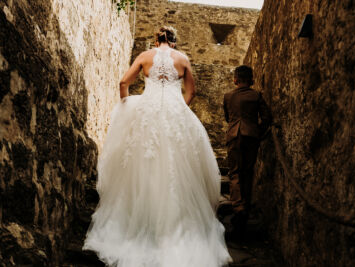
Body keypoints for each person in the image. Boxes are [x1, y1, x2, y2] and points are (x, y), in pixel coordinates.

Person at [83, 26, 231, 267]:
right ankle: (175, 230)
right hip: (174, 114)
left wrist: (126, 105)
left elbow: (123, 82)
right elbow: (191, 92)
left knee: (139, 165)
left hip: (146, 112)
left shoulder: (144, 57)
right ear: (174, 42)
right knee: (177, 169)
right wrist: (179, 108)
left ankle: (134, 223)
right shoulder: (183, 59)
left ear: (156, 40)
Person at [223, 65, 272, 240]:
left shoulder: (228, 96)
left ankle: (238, 208)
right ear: (252, 79)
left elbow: (228, 117)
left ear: (235, 79)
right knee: (248, 173)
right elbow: (267, 118)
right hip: (252, 136)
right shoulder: (256, 95)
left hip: (234, 136)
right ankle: (246, 206)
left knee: (235, 173)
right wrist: (258, 131)